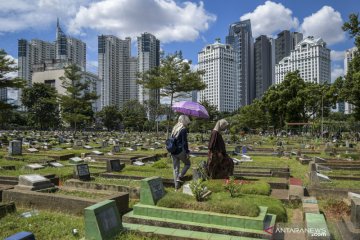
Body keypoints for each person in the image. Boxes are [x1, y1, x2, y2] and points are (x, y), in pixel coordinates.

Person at [170, 115, 191, 190]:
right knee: (188, 164)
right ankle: (180, 176)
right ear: (184, 120)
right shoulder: (183, 129)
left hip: (173, 151)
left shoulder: (174, 128)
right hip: (180, 151)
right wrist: (187, 152)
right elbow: (184, 142)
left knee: (175, 169)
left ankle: (176, 187)